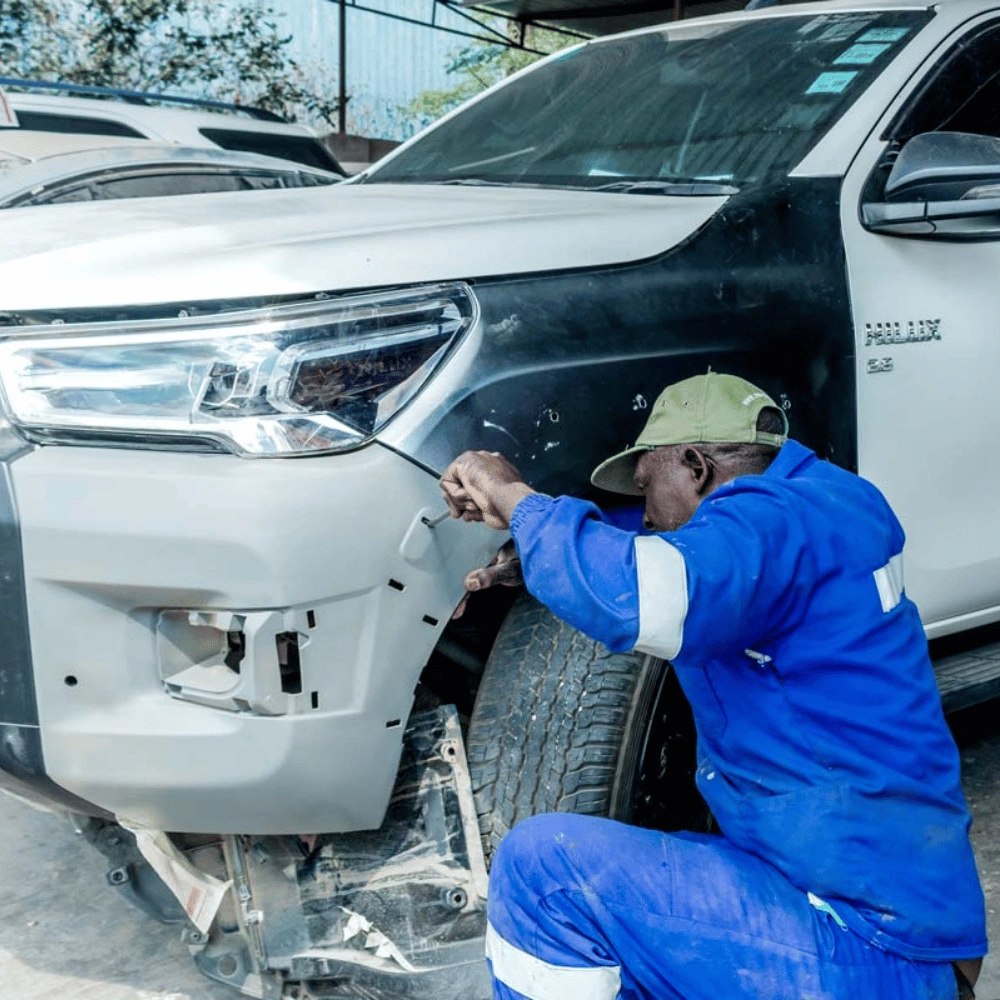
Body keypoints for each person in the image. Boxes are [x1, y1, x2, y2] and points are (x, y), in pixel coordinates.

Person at [439, 372, 987, 1000]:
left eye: (648, 486)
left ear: (696, 466)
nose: (645, 513)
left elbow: (649, 593)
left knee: (547, 870)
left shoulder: (770, 526)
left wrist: (518, 500)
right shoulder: (834, 501)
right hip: (910, 923)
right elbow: (703, 542)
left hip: (866, 945)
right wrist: (542, 554)